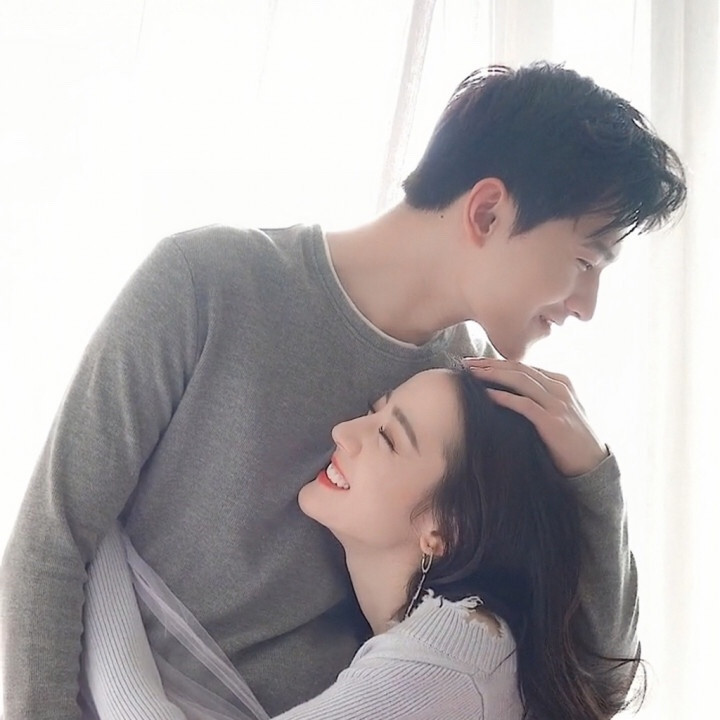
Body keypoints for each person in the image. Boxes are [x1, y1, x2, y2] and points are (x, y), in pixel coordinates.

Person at [0, 62, 685, 719]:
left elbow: (596, 675)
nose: (586, 305)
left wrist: (593, 476)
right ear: (486, 213)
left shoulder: (472, 400)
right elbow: (52, 544)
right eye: (585, 260)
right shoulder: (206, 285)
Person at [80, 367, 640, 720]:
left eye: (388, 438)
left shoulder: (455, 656)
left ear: (446, 530)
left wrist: (91, 521)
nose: (344, 432)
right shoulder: (471, 652)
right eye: (374, 412)